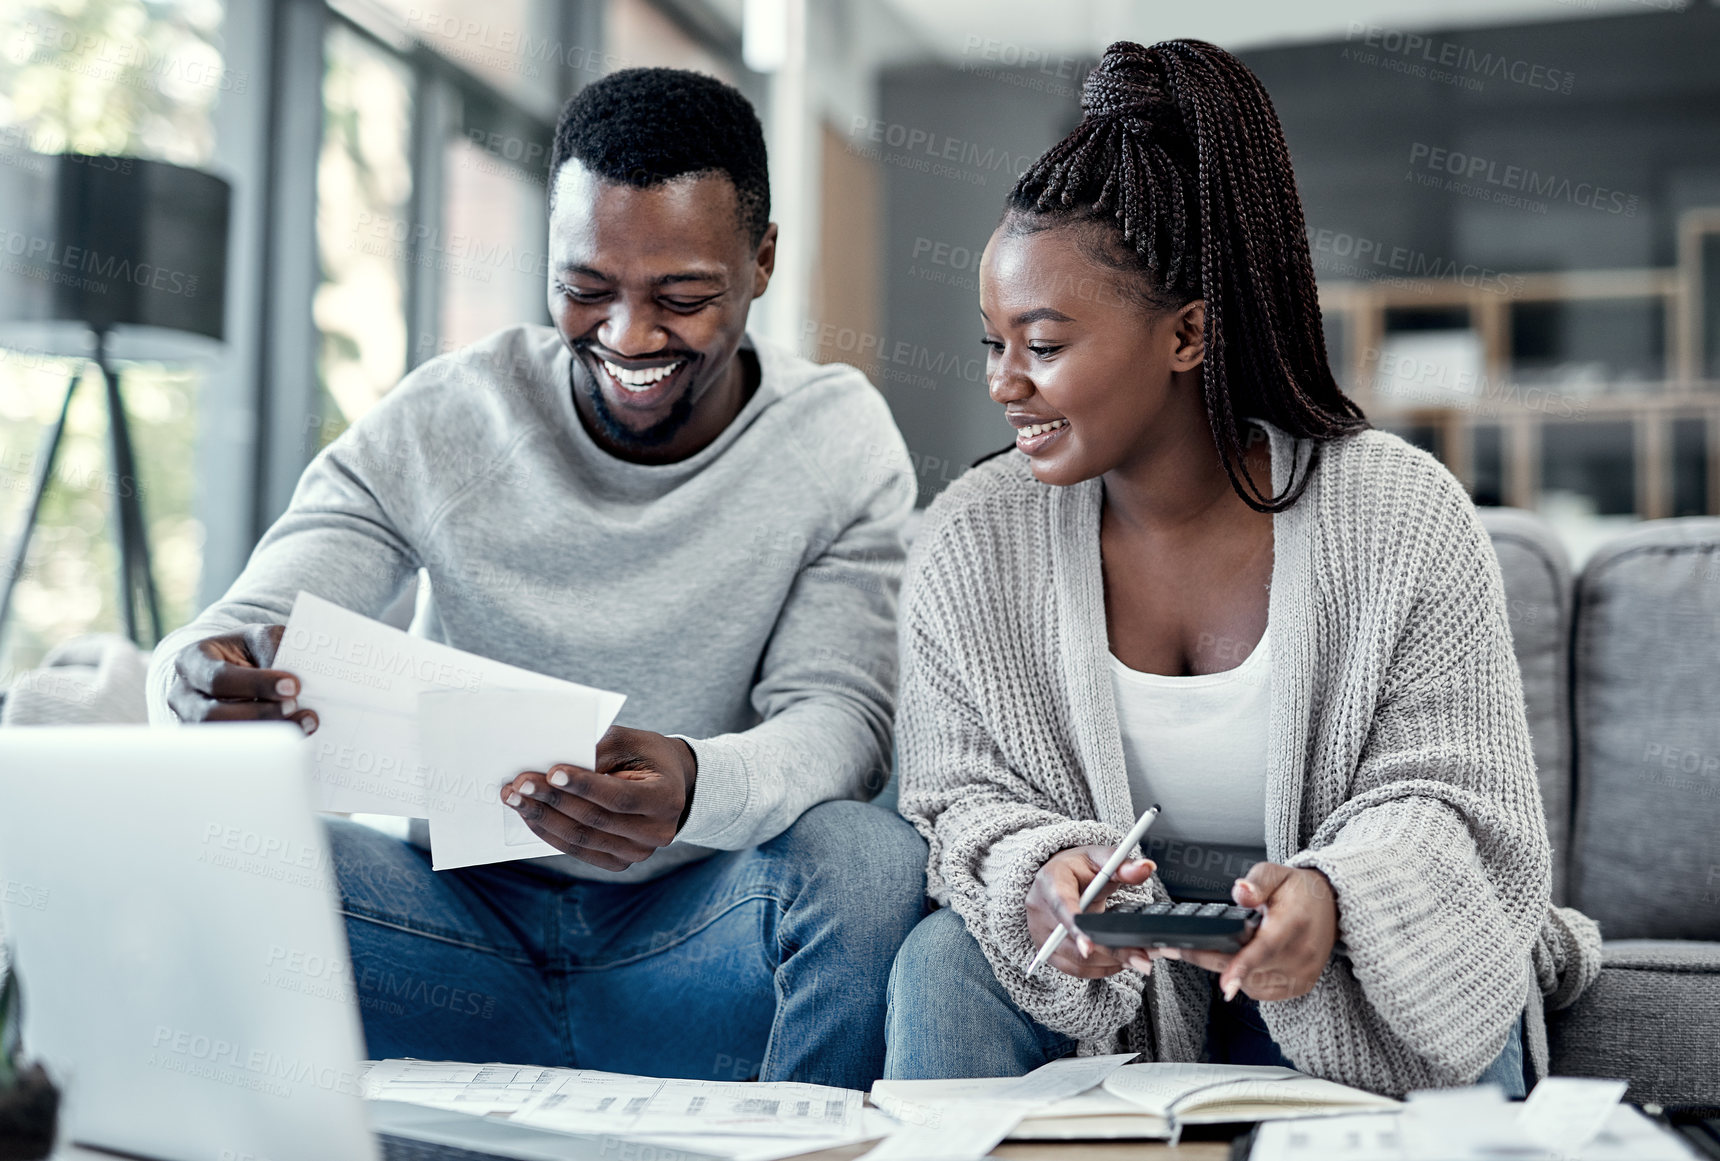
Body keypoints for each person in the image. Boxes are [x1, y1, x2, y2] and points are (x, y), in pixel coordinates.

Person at [148, 67, 927, 1088]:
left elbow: (841, 720)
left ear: (762, 260)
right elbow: (249, 621)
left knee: (866, 861)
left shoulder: (833, 436)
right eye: (584, 288)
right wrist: (196, 675)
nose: (628, 337)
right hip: (446, 933)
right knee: (204, 838)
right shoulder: (448, 419)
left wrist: (696, 786)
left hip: (695, 939)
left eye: (681, 298)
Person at [885, 39, 1600, 1096]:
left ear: (1186, 334)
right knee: (940, 962)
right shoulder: (968, 539)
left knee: (1451, 966)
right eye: (991, 343)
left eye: (1042, 344)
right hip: (1104, 979)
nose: (1004, 385)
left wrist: (1333, 897)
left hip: (1344, 958)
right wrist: (1038, 875)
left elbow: (1453, 802)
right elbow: (959, 800)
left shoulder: (1400, 515)